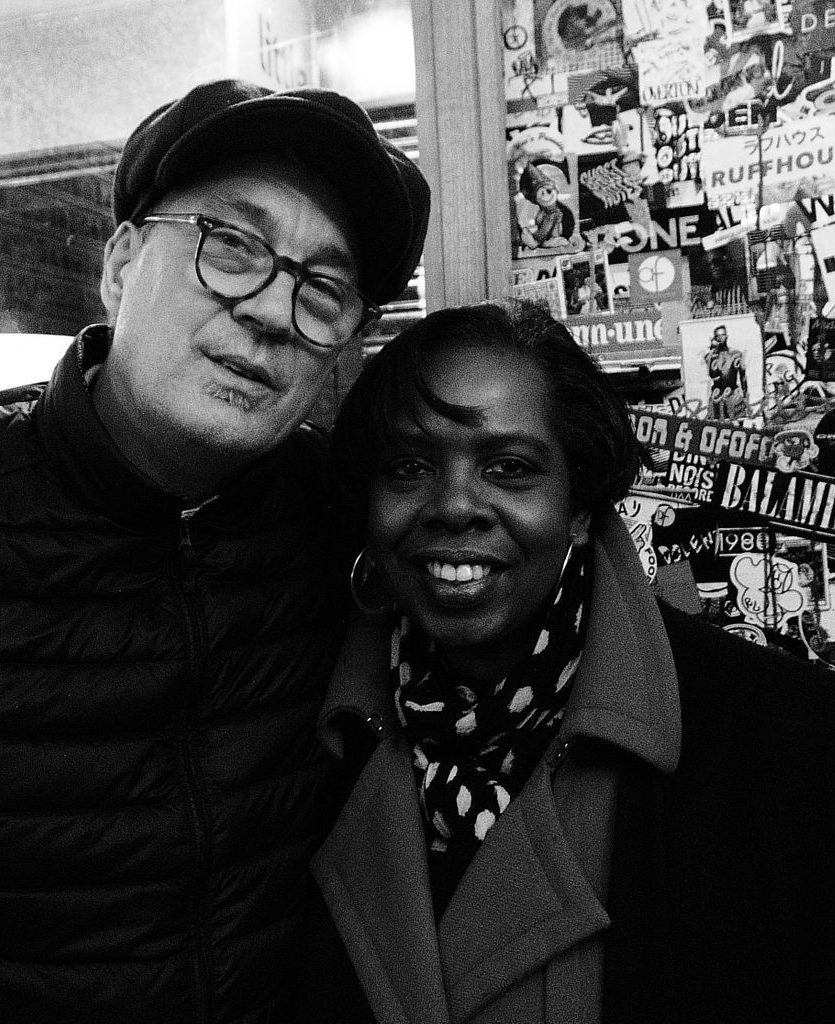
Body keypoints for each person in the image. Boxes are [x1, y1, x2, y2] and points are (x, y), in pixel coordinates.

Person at [0, 79, 429, 1023]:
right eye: (231, 244)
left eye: (326, 289)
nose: (273, 310)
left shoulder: (345, 528)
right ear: (121, 264)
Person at [294, 301, 835, 1023]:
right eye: (409, 466)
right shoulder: (308, 733)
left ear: (580, 506)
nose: (453, 506)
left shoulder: (789, 741)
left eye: (509, 467)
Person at [705, 323, 749, 418]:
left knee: (738, 419)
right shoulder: (711, 356)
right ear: (715, 338)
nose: (721, 338)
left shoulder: (736, 354)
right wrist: (714, 352)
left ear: (726, 336)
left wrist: (745, 395)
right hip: (717, 393)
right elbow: (712, 374)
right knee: (717, 420)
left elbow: (743, 376)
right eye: (718, 336)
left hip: (733, 392)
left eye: (723, 335)